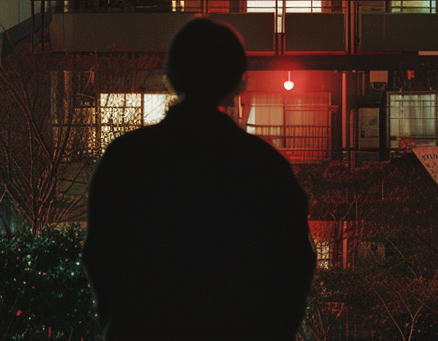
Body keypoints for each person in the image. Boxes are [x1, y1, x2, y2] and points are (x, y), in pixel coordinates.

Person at [82, 18, 316, 341]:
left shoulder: (126, 158)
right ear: (237, 80)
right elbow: (293, 268)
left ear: (171, 76)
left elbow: (100, 255)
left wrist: (120, 320)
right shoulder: (264, 167)